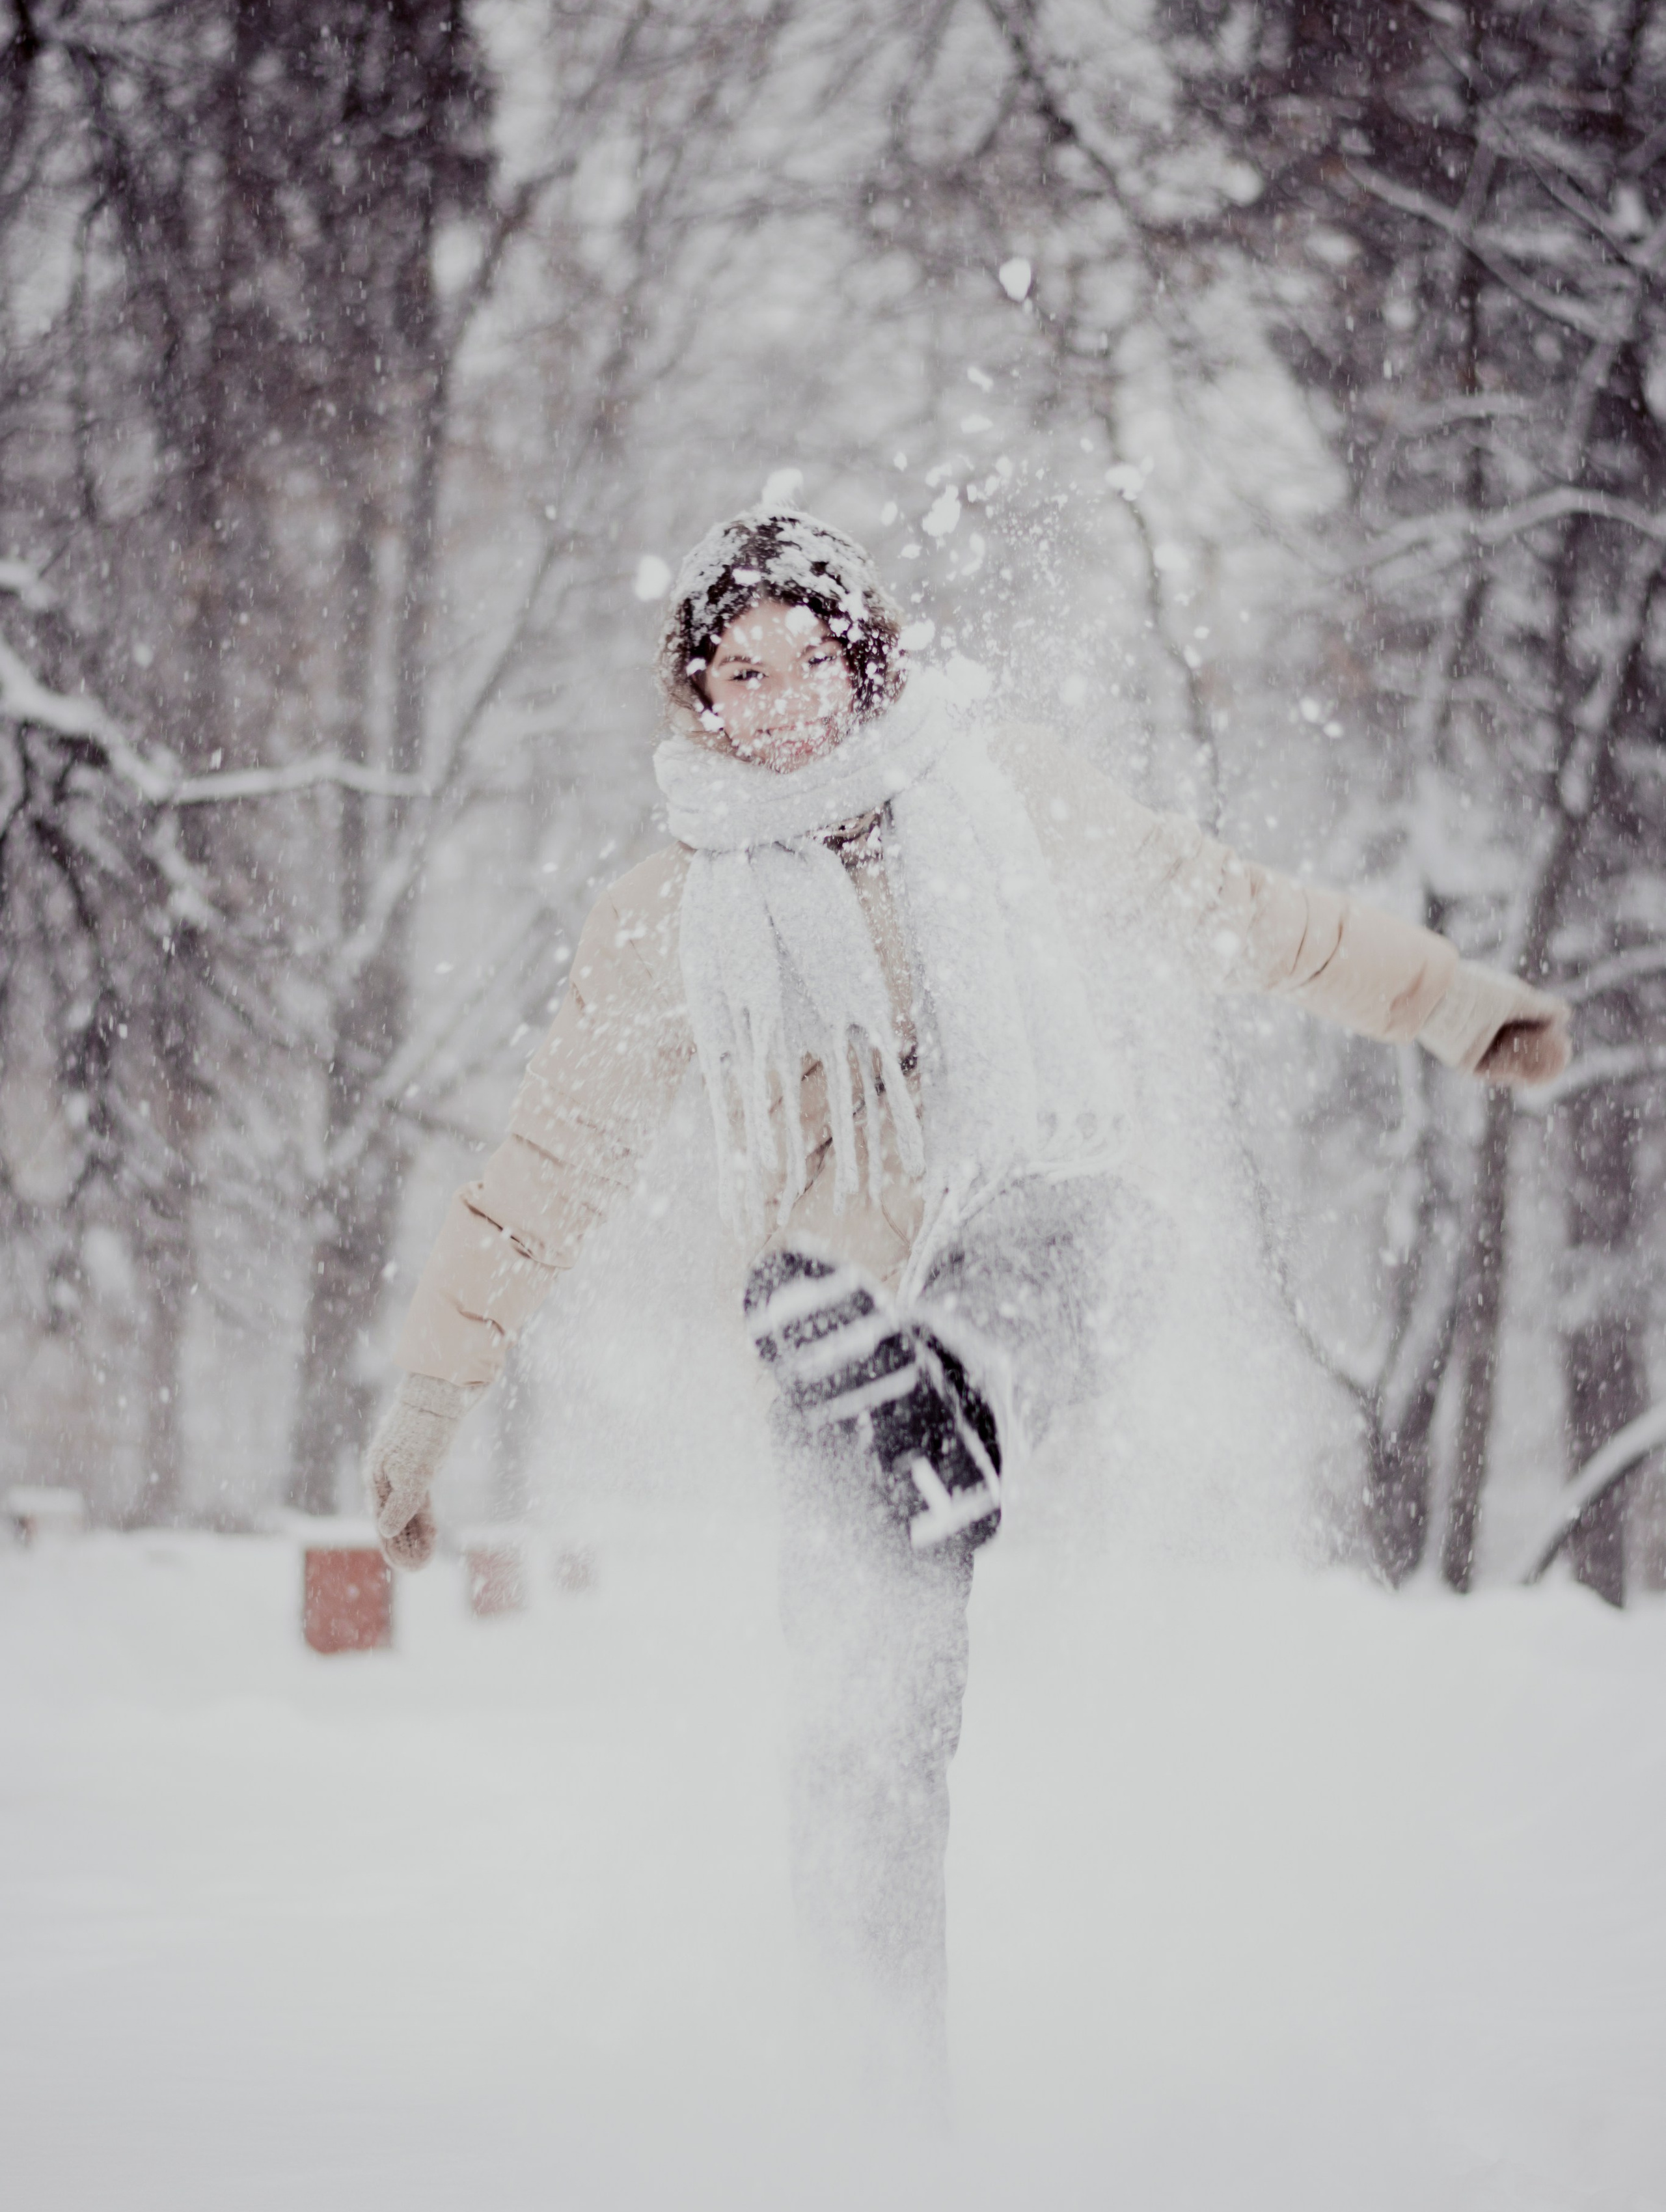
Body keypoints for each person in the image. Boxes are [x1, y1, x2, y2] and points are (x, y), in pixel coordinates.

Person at [366, 507, 1570, 2082]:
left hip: (1050, 1224)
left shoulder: (999, 794)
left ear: (860, 662)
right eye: (740, 673)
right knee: (864, 1728)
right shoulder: (667, 918)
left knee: (1069, 1253)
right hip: (832, 1348)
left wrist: (1455, 1006)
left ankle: (964, 1384)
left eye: (805, 661)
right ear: (698, 698)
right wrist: (425, 1413)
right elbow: (540, 1171)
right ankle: (873, 2087)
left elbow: (1231, 908)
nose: (778, 702)